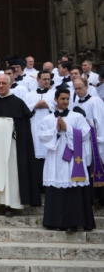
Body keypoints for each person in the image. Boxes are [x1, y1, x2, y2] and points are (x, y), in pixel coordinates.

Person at [0, 74, 41, 216]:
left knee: (10, 175)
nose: (1, 86)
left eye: (4, 83)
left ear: (10, 84)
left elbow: (23, 129)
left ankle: (11, 205)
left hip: (11, 147)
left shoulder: (18, 103)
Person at [38, 88, 95, 231]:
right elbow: (42, 137)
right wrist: (56, 130)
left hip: (72, 160)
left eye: (68, 99)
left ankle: (72, 223)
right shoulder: (47, 119)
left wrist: (67, 128)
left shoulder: (77, 117)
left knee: (73, 189)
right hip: (55, 158)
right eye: (62, 99)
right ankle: (55, 222)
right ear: (55, 100)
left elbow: (85, 134)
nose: (66, 102)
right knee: (56, 188)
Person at [72, 78, 104, 207]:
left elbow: (100, 121)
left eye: (80, 88)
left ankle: (101, 198)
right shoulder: (75, 104)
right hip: (82, 141)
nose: (78, 91)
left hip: (95, 141)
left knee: (97, 166)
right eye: (76, 89)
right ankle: (89, 197)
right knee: (84, 167)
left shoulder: (95, 101)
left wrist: (100, 140)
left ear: (87, 87)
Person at [25, 70, 55, 195]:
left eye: (48, 79)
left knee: (49, 157)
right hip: (34, 130)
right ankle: (37, 186)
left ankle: (49, 185)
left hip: (50, 130)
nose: (47, 81)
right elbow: (24, 110)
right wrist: (35, 105)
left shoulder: (54, 93)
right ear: (38, 80)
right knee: (36, 158)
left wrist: (48, 106)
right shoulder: (29, 95)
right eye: (44, 79)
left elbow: (60, 109)